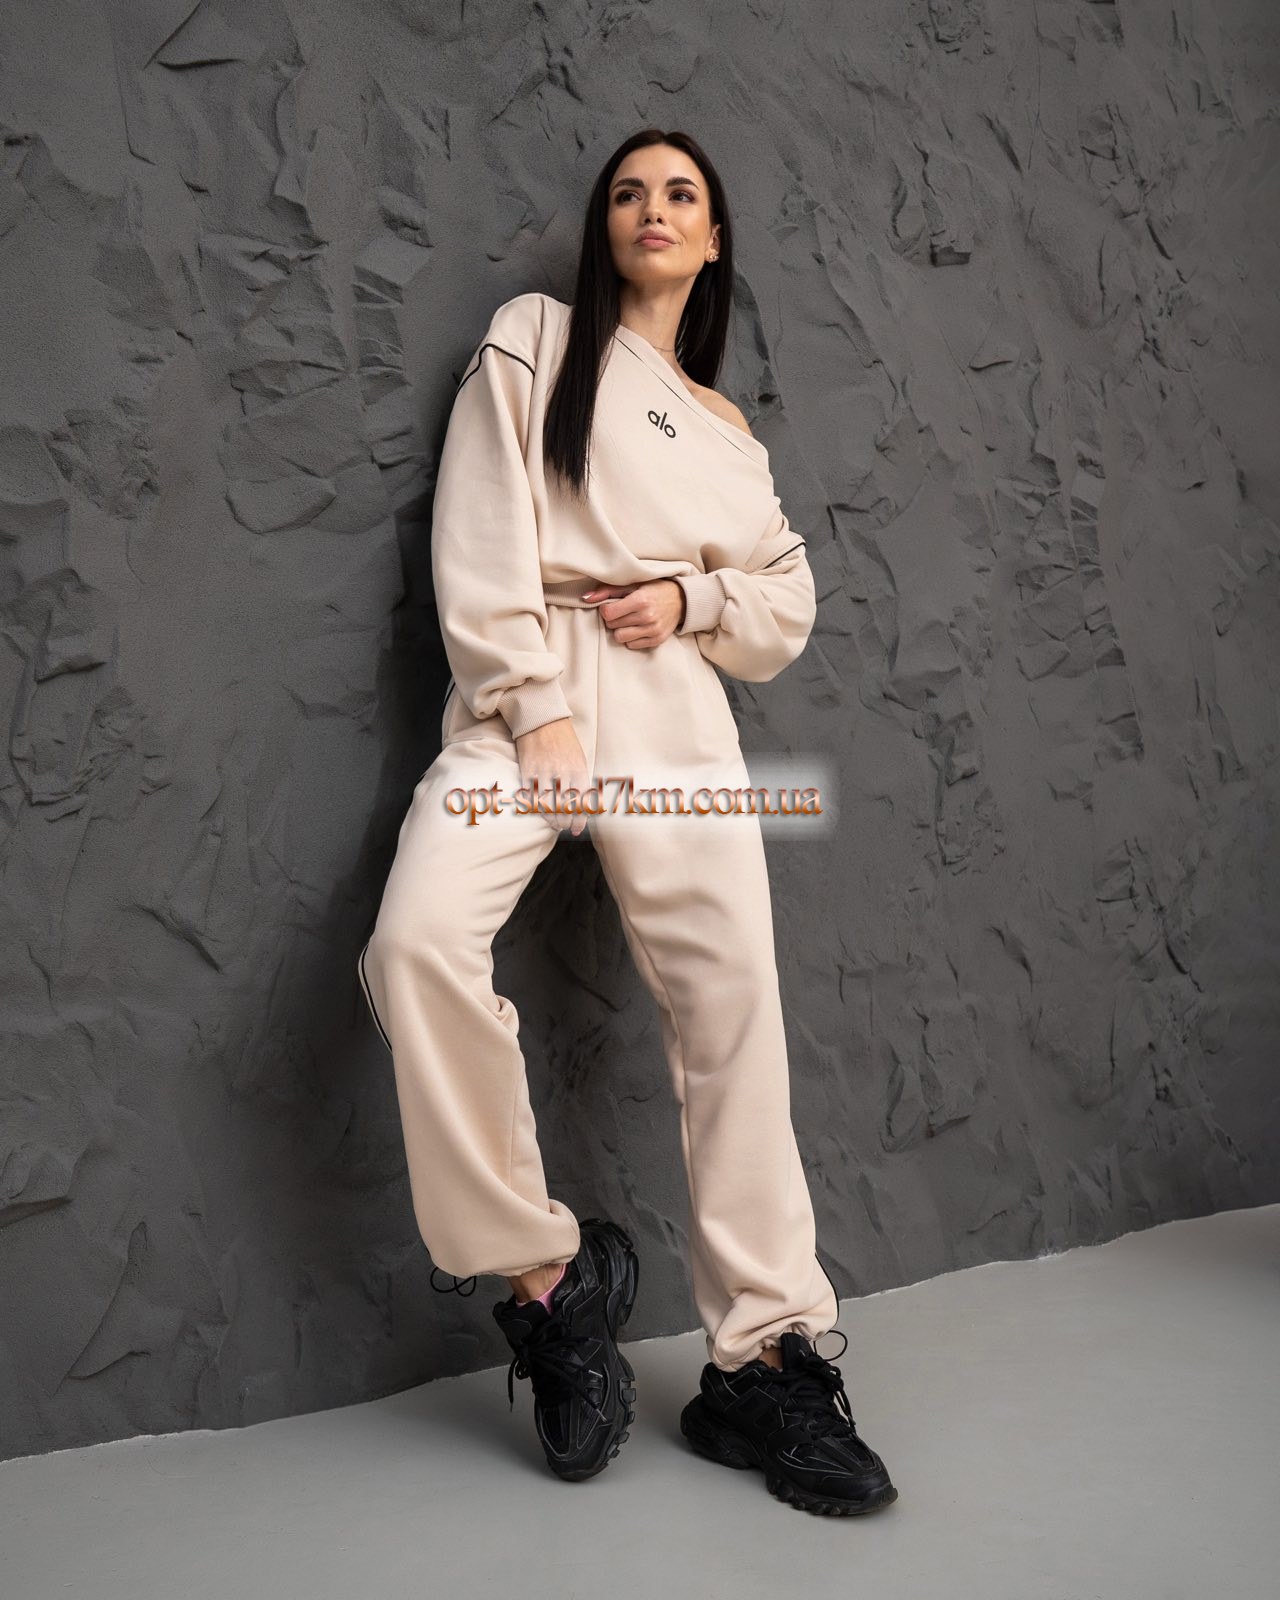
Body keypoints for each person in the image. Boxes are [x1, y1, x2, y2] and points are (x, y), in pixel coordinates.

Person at [357, 127, 897, 1518]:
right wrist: (532, 707)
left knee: (733, 1007)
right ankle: (549, 1278)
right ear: (605, 227)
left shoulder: (727, 433)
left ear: (711, 241)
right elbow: (482, 520)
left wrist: (694, 600)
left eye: (682, 195)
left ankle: (765, 1360)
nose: (653, 209)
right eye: (628, 193)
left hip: (672, 710)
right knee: (414, 945)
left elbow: (783, 602)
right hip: (527, 686)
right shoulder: (538, 338)